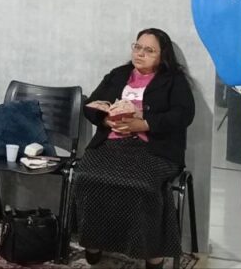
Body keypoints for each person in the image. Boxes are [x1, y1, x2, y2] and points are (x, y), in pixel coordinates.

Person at [73, 28, 195, 269]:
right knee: (86, 177)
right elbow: (90, 105)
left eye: (149, 50)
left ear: (162, 56)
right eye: (137, 47)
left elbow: (184, 114)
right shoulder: (119, 75)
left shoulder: (173, 80)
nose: (140, 53)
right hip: (110, 144)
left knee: (143, 186)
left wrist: (146, 123)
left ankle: (152, 253)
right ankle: (94, 242)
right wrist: (105, 120)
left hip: (153, 149)